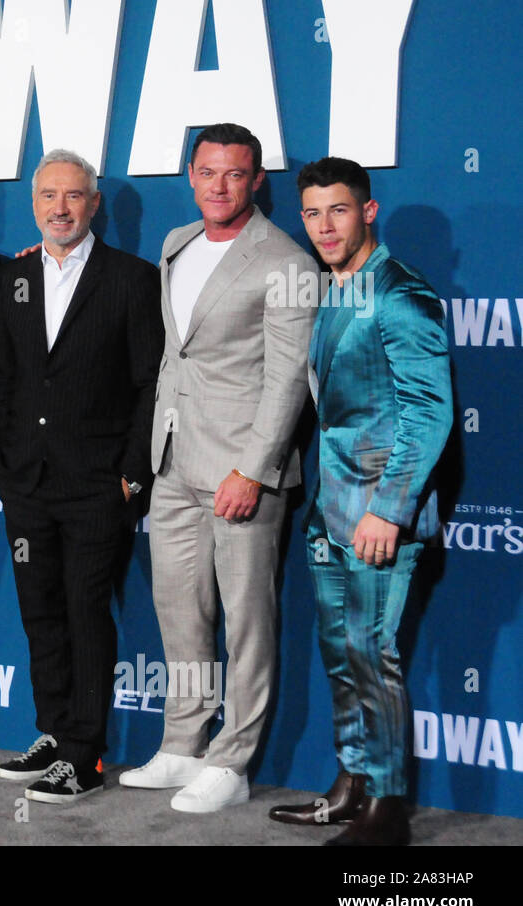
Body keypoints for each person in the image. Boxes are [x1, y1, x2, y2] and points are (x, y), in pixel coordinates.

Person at [119, 124, 316, 812]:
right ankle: (182, 742)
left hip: (241, 469)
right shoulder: (176, 243)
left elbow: (289, 379)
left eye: (235, 174)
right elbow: (180, 357)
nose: (220, 186)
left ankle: (232, 762)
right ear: (191, 174)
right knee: (181, 612)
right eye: (208, 172)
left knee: (248, 619)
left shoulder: (284, 259)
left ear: (256, 180)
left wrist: (254, 470)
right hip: (172, 459)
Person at [269, 157, 452, 845]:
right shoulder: (332, 287)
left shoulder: (401, 294)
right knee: (342, 650)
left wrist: (390, 507)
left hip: (380, 513)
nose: (324, 226)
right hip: (333, 504)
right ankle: (352, 783)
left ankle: (386, 810)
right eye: (312, 213)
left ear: (368, 212)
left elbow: (429, 413)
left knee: (374, 653)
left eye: (338, 211)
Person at [0, 150, 164, 803]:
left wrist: (129, 474)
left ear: (94, 205)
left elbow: (151, 383)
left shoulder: (132, 279)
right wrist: (2, 460)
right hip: (26, 480)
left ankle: (87, 757)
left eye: (73, 196)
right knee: (42, 612)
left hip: (98, 484)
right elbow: (0, 374)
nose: (60, 207)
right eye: (48, 196)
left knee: (87, 611)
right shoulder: (11, 279)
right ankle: (56, 732)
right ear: (35, 203)